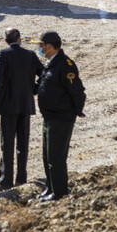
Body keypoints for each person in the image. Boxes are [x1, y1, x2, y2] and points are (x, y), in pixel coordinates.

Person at [0, 28, 44, 192]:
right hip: (25, 103)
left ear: (6, 40)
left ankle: (6, 180)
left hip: (8, 104)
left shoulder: (3, 54)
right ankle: (21, 178)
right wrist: (32, 90)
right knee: (23, 142)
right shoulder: (30, 55)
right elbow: (44, 74)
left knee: (7, 143)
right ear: (19, 38)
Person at [35, 31, 86, 202]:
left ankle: (59, 192)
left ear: (49, 46)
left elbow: (77, 91)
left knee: (56, 157)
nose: (40, 48)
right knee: (47, 156)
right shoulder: (50, 63)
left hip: (61, 117)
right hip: (49, 116)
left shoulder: (65, 65)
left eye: (41, 45)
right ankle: (50, 188)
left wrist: (76, 111)